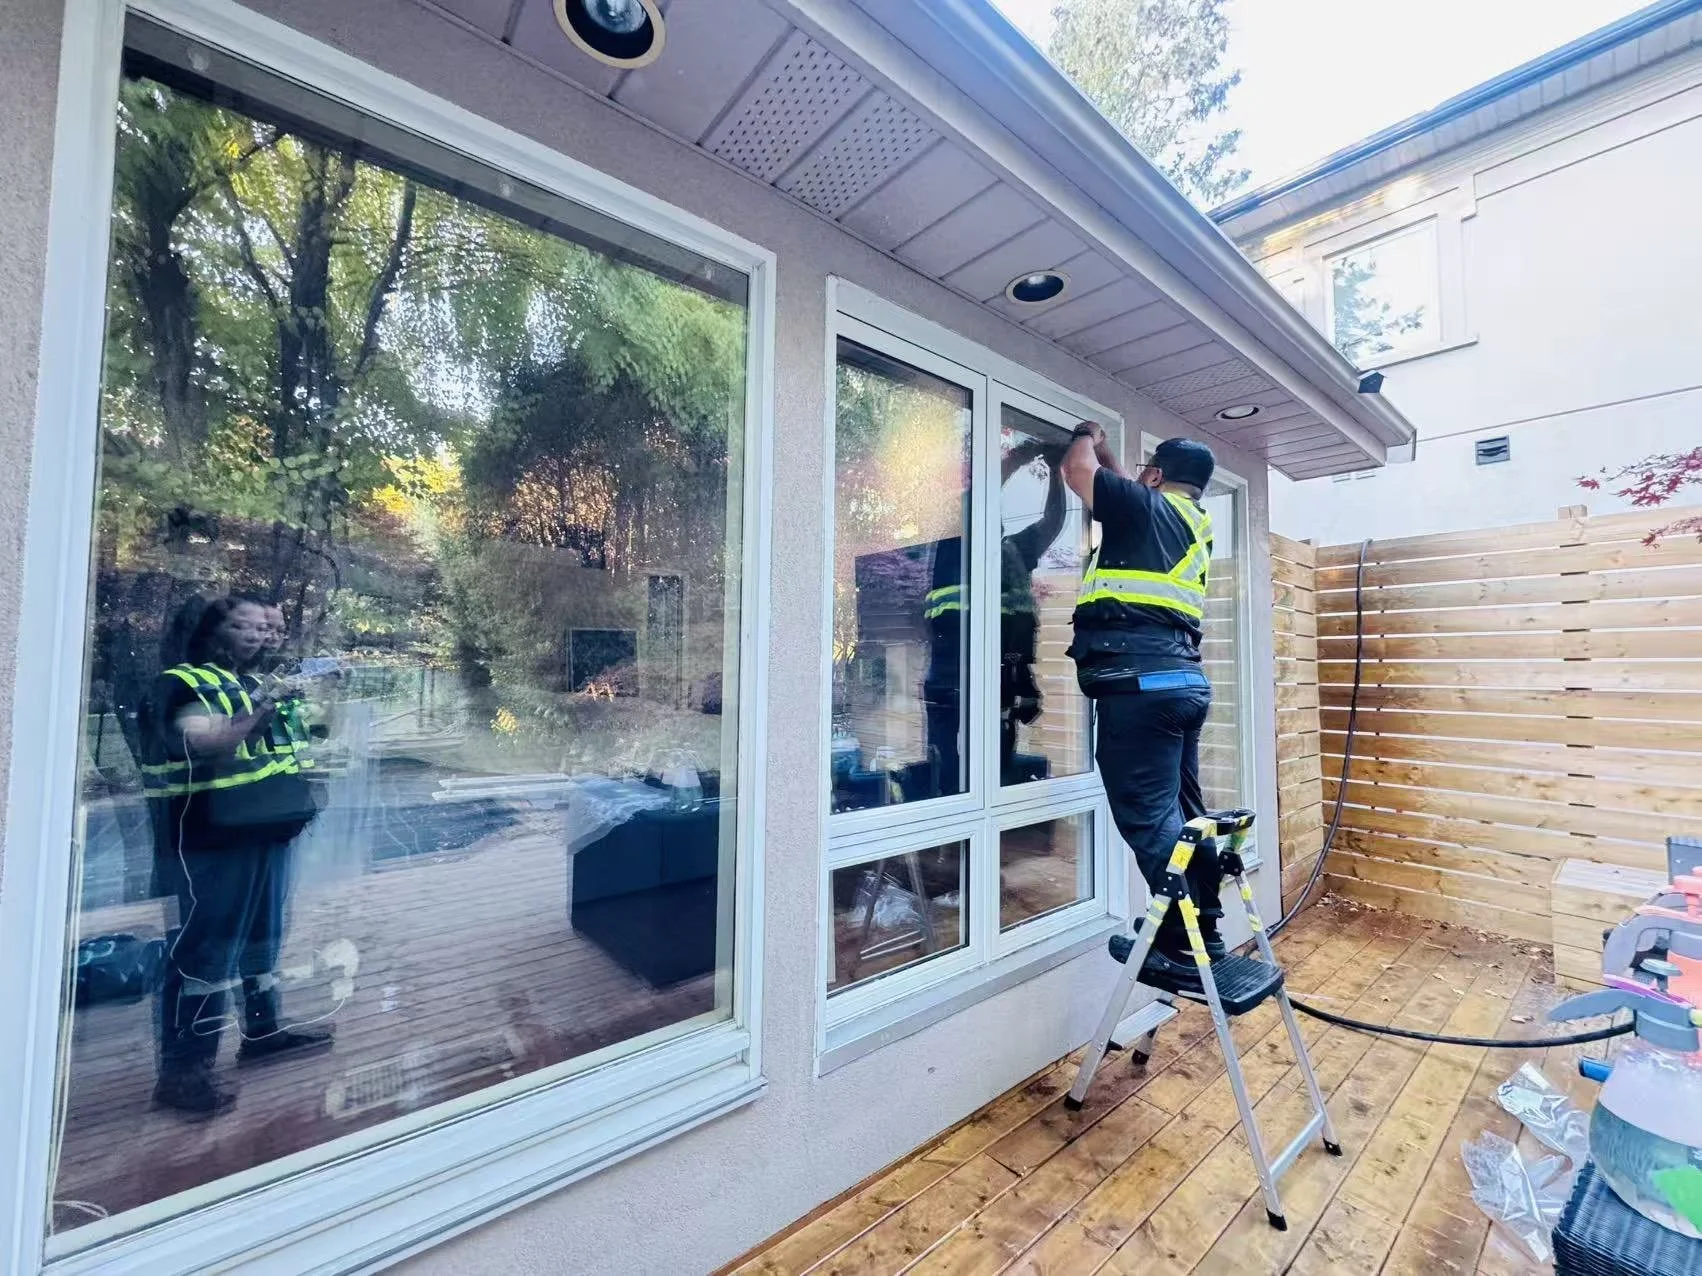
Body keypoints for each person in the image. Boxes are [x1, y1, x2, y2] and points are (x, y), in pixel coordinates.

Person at [141, 595, 331, 1116]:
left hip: (261, 834)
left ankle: (263, 1032)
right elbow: (214, 741)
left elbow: (299, 739)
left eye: (263, 628)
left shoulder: (243, 684)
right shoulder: (180, 683)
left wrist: (306, 705)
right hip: (209, 842)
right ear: (208, 629)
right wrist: (269, 702)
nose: (257, 636)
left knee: (262, 940)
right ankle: (182, 1072)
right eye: (242, 626)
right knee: (205, 952)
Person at [1060, 427, 1232, 988]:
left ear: (1155, 477)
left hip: (1139, 688)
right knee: (1184, 815)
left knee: (1150, 817)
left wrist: (1085, 436)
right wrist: (1119, 465)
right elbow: (1116, 486)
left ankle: (1180, 943)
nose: (1135, 480)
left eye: (1144, 472)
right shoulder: (1189, 521)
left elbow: (1079, 472)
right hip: (1180, 685)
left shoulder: (1148, 508)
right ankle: (1202, 927)